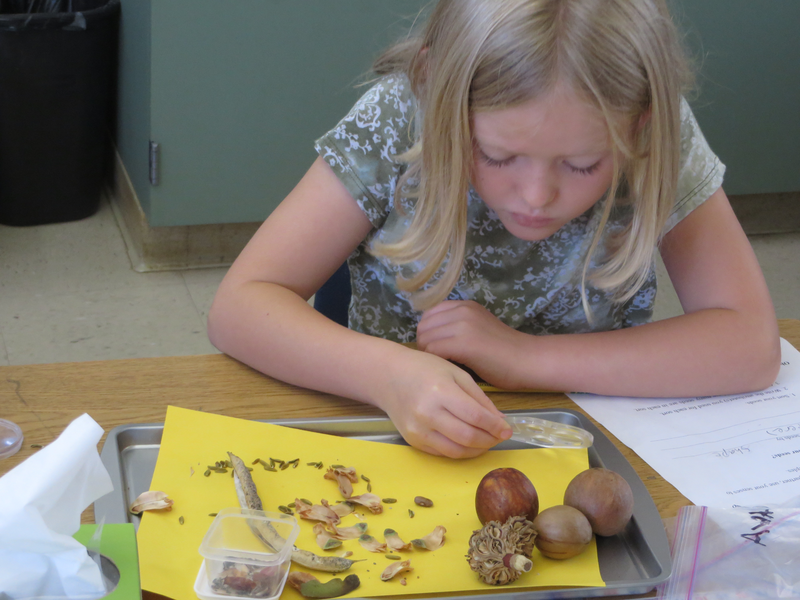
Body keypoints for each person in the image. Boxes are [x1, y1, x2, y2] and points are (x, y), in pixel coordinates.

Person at [208, 0, 780, 459]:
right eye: (498, 155)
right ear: (438, 95)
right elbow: (239, 306)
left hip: (581, 435)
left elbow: (749, 346)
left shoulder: (659, 135)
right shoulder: (397, 116)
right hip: (395, 434)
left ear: (641, 124)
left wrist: (523, 359)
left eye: (583, 165)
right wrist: (386, 375)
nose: (536, 196)